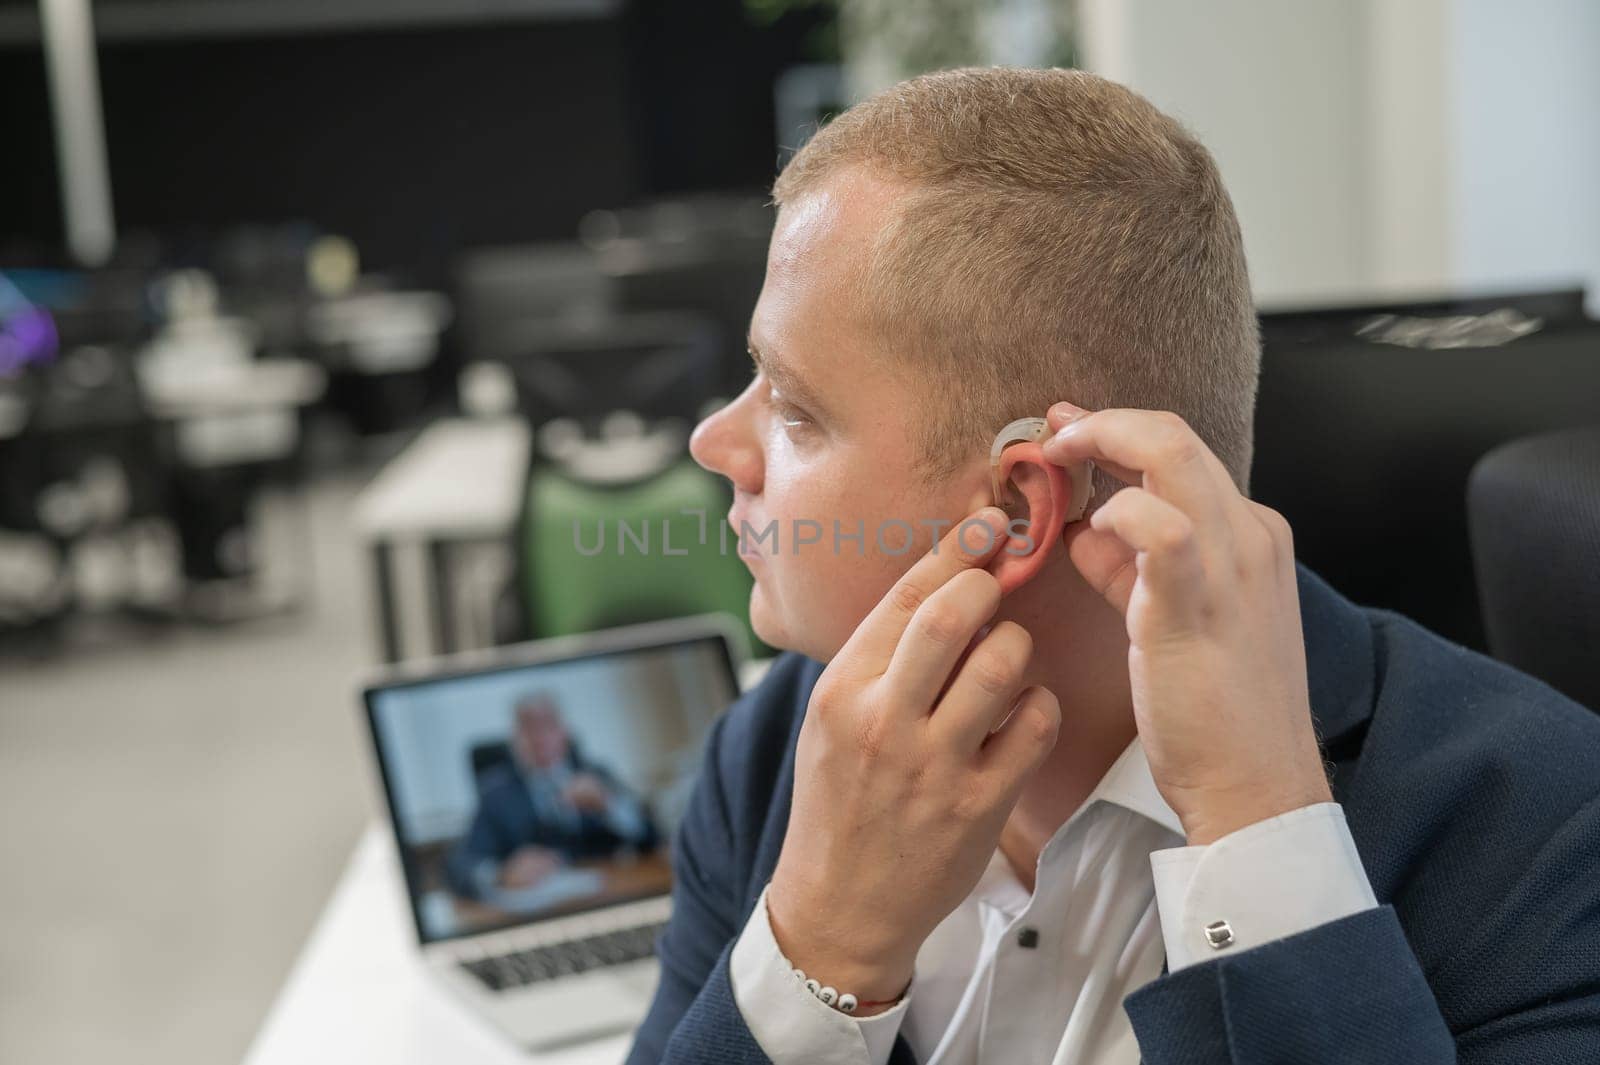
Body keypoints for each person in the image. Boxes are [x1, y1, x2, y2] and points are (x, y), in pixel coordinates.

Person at [622, 68, 1600, 1064]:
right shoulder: (780, 748)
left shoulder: (1550, 830)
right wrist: (820, 951)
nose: (715, 443)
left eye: (793, 408)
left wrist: (1259, 838)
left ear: (1014, 505)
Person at [447, 693, 658, 902]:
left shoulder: (595, 775)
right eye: (529, 728)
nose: (540, 737)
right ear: (515, 738)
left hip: (605, 897)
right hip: (537, 914)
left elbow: (651, 837)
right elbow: (460, 866)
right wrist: (501, 873)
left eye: (548, 725)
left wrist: (609, 805)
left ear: (564, 731)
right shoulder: (496, 794)